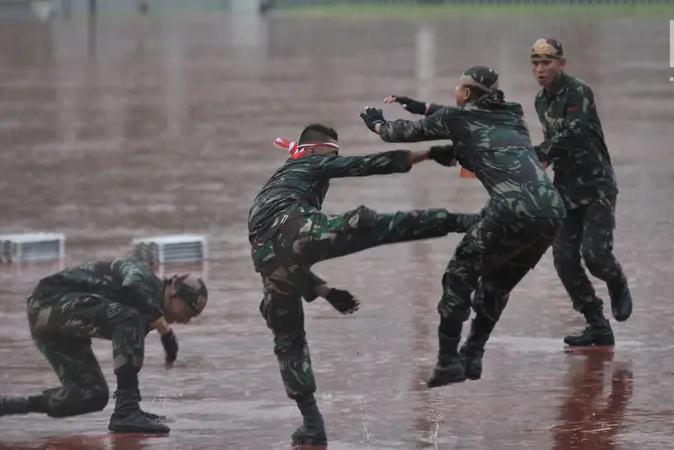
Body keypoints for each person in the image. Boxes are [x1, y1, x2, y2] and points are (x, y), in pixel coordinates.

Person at [248, 123, 480, 447]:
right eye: (332, 154)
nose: (332, 162)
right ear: (314, 149)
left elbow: (281, 255)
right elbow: (365, 165)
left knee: (288, 339)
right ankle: (469, 221)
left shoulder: (277, 185)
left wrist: (326, 292)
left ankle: (312, 425)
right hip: (298, 230)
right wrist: (428, 153)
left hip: (269, 257)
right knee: (387, 226)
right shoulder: (308, 161)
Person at [362, 66, 566, 389]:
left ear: (467, 94)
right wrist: (422, 106)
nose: (455, 94)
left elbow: (398, 133)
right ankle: (472, 354)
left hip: (510, 210)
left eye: (458, 89)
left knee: (459, 274)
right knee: (497, 283)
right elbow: (469, 120)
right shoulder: (513, 114)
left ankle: (447, 362)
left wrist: (374, 121)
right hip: (553, 212)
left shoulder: (458, 120)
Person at [0, 259, 209, 434]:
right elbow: (131, 289)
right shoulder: (142, 276)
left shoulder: (149, 309)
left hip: (61, 324)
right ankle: (127, 408)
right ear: (173, 291)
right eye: (187, 311)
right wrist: (164, 329)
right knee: (130, 318)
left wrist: (160, 325)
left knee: (92, 394)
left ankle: (4, 405)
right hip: (48, 303)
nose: (186, 319)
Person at [529, 37, 632, 347]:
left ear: (562, 63)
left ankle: (617, 282)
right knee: (564, 260)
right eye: (535, 63)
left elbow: (575, 133)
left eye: (546, 62)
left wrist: (540, 152)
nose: (540, 69)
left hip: (597, 186)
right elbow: (552, 146)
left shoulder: (578, 91)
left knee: (596, 256)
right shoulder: (540, 100)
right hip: (566, 190)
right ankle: (597, 325)